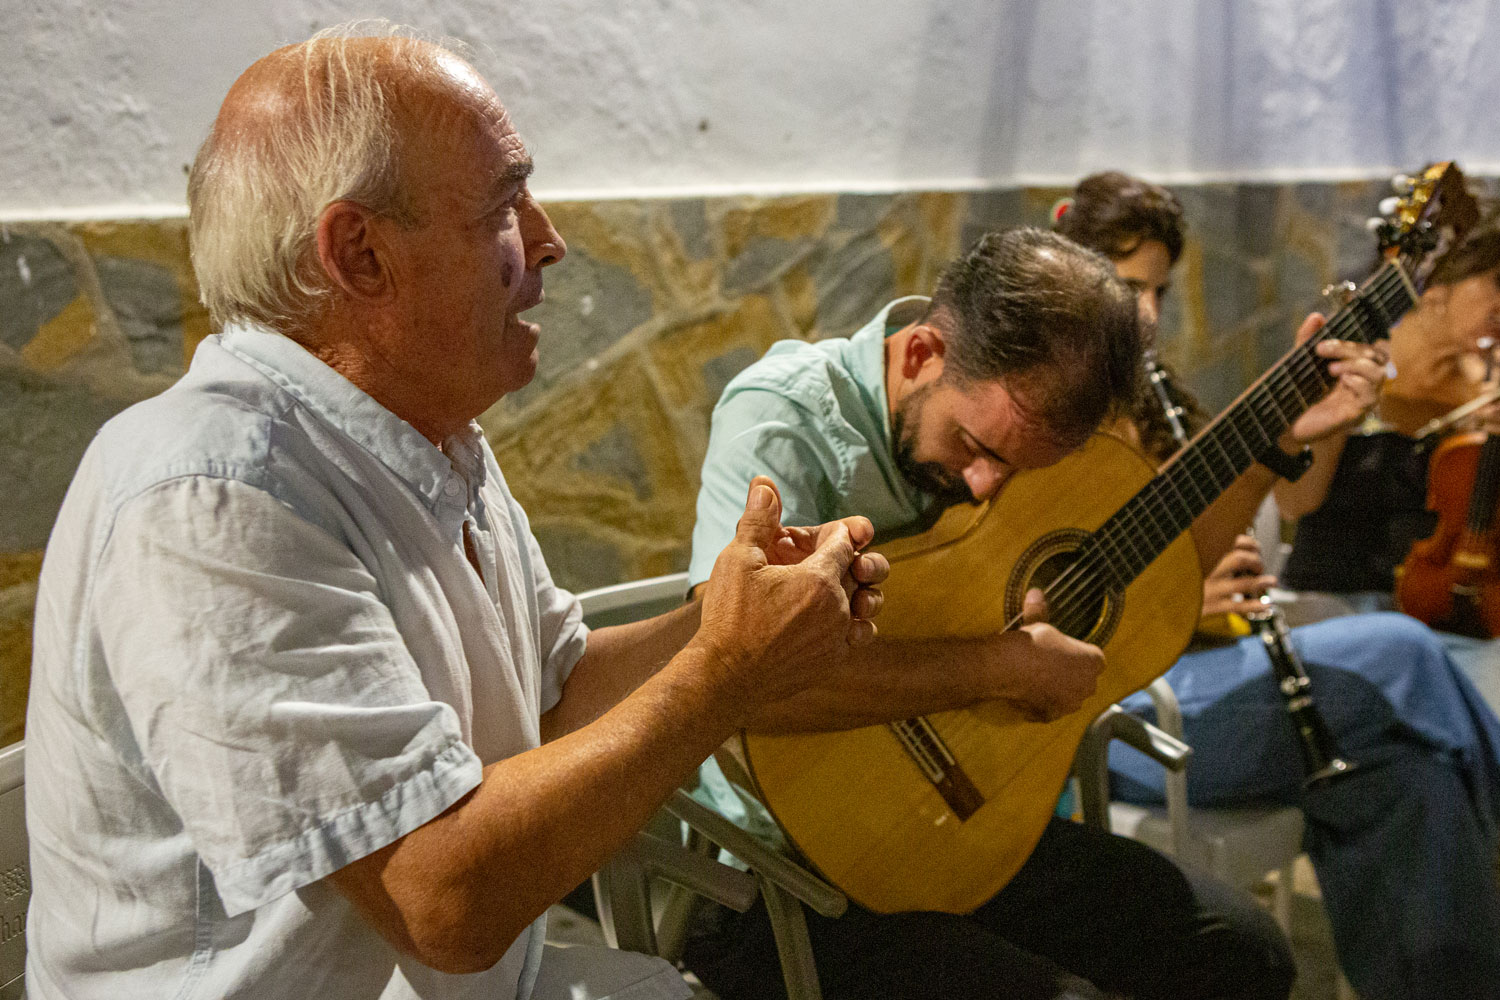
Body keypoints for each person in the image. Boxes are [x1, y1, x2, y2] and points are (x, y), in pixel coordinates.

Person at [23, 27, 894, 1000]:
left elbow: (555, 697)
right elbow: (443, 902)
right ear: (361, 253)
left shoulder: (424, 437)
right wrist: (731, 670)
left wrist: (733, 611)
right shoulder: (215, 495)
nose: (551, 239)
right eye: (503, 205)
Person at [679, 224, 1381, 1000]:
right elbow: (745, 673)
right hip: (779, 871)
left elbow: (1161, 575)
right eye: (976, 444)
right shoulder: (784, 421)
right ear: (922, 355)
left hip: (969, 832)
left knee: (1243, 951)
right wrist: (998, 663)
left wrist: (1275, 443)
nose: (986, 486)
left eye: (1020, 468)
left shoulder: (1024, 432)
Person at [1055, 170, 1500, 1000]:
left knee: (1405, 780)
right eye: (1127, 286)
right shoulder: (1051, 418)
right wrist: (1181, 591)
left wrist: (1300, 428)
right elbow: (1062, 593)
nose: (1146, 312)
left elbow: (1288, 496)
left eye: (1157, 288)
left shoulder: (1155, 401)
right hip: (1133, 706)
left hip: (1219, 672)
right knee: (1399, 648)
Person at [1278, 207, 1500, 710]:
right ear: (1437, 292)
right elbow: (1294, 502)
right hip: (1336, 603)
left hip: (1449, 616)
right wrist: (1336, 422)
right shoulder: (1354, 364)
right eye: (1496, 285)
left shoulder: (1484, 388)